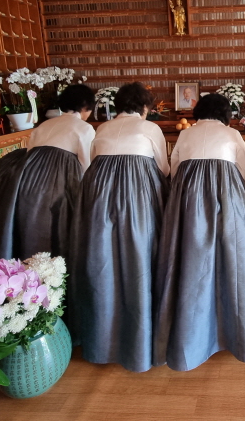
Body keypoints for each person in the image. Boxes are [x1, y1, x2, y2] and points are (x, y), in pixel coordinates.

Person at [70, 82, 170, 372]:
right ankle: (142, 337)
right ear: (145, 107)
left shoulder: (102, 128)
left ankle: (102, 338)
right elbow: (163, 168)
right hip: (137, 197)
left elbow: (92, 162)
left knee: (102, 259)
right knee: (141, 256)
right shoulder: (150, 128)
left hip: (98, 197)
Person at [153, 94, 245, 371]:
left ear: (198, 112)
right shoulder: (232, 135)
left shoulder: (186, 135)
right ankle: (233, 333)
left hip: (189, 203)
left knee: (189, 259)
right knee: (232, 259)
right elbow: (244, 174)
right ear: (225, 114)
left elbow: (175, 171)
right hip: (228, 200)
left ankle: (190, 334)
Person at [0, 84, 96, 260]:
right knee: (56, 224)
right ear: (85, 106)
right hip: (58, 181)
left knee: (29, 222)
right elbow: (86, 163)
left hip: (26, 179)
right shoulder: (84, 128)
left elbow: (30, 153)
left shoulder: (44, 125)